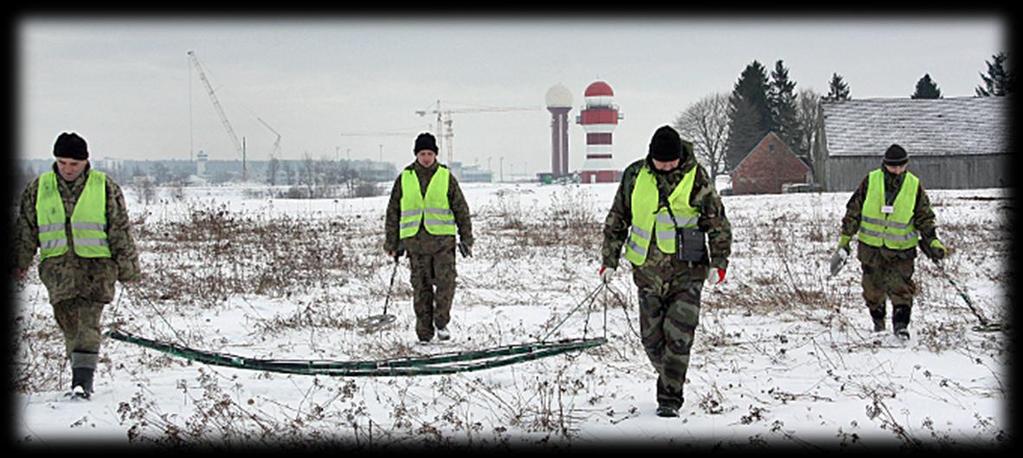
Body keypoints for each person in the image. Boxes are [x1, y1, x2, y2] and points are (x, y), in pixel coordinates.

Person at [599, 125, 732, 418]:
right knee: (651, 340)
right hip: (647, 274)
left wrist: (719, 263)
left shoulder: (696, 177)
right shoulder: (634, 176)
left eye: (671, 161)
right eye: (661, 162)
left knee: (679, 337)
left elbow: (717, 223)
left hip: (688, 272)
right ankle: (673, 376)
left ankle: (670, 398)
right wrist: (609, 260)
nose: (667, 166)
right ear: (651, 157)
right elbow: (617, 219)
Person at [13, 132, 141, 399]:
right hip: (57, 272)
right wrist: (18, 263)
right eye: (62, 162)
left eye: (74, 163)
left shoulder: (104, 187)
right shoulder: (39, 188)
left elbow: (119, 229)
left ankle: (82, 383)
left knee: (87, 325)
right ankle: (80, 373)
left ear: (85, 162)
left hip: (98, 269)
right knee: (70, 325)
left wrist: (128, 268)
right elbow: (26, 230)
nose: (68, 169)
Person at [830, 143, 947, 340]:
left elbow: (924, 216)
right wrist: (845, 239)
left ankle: (901, 328)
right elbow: (853, 212)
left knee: (901, 288)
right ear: (885, 164)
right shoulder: (871, 180)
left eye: (901, 166)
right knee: (872, 290)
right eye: (893, 166)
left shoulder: (913, 185)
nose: (897, 170)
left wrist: (933, 241)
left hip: (901, 250)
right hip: (871, 249)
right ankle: (878, 325)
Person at [384, 132, 473, 343]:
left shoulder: (445, 177)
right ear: (416, 154)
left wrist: (466, 238)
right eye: (422, 153)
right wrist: (392, 243)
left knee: (446, 285)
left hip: (443, 243)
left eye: (430, 153)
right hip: (415, 245)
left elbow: (461, 209)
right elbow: (393, 212)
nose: (426, 157)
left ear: (435, 155)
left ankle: (441, 322)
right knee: (421, 290)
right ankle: (424, 333)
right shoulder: (405, 178)